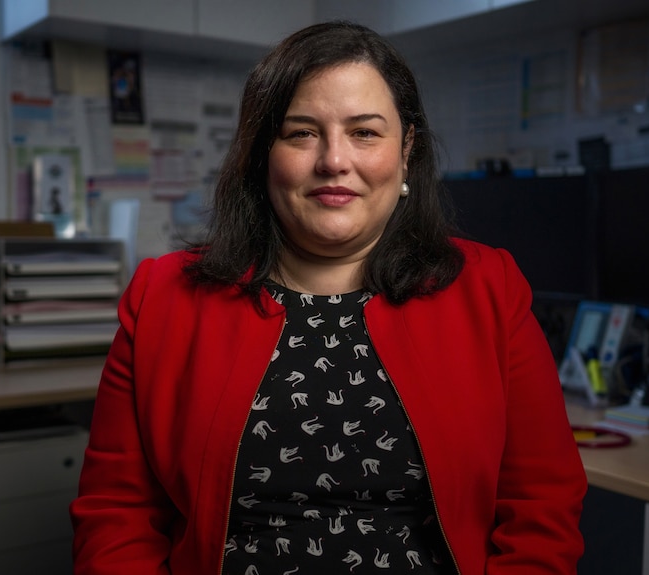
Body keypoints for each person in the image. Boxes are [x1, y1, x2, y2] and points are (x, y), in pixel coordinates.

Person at [70, 20, 587, 575]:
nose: (334, 161)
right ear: (262, 153)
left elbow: (542, 508)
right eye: (301, 133)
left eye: (365, 132)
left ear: (407, 149)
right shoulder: (162, 298)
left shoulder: (489, 287)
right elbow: (116, 516)